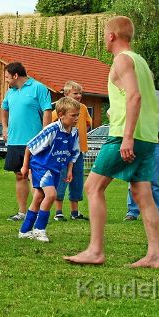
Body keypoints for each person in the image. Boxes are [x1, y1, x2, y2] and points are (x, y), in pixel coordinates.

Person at [65, 16, 159, 268]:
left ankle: (95, 250)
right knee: (142, 193)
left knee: (93, 187)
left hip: (125, 135)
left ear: (111, 36)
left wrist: (127, 137)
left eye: (104, 34)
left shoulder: (122, 59)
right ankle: (155, 255)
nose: (103, 38)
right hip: (146, 137)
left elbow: (134, 96)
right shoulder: (141, 62)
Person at [18, 97, 81, 242]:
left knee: (39, 197)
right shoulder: (52, 130)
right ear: (61, 115)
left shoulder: (74, 133)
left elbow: (73, 154)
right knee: (51, 195)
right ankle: (40, 229)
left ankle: (25, 230)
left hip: (56, 169)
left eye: (78, 115)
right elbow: (30, 146)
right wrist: (25, 166)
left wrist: (70, 170)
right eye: (73, 115)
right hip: (41, 166)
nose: (76, 118)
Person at [1, 62, 53, 222]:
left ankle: (36, 211)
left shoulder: (39, 88)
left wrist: (45, 134)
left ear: (15, 75)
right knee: (19, 175)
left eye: (7, 77)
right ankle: (22, 212)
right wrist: (4, 127)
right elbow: (4, 109)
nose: (6, 80)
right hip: (14, 141)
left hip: (33, 142)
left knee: (33, 176)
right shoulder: (10, 92)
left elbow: (47, 110)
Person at [124, 89, 159, 222]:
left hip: (154, 142)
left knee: (153, 180)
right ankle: (132, 212)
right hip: (135, 142)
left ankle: (158, 212)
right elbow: (110, 113)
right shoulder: (128, 94)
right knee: (134, 179)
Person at [53, 81, 92, 222]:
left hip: (79, 151)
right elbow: (52, 125)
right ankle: (58, 211)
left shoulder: (83, 108)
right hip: (62, 153)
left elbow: (88, 123)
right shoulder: (58, 110)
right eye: (76, 93)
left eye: (80, 93)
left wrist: (80, 135)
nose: (79, 96)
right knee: (62, 179)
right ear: (66, 94)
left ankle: (75, 212)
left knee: (77, 180)